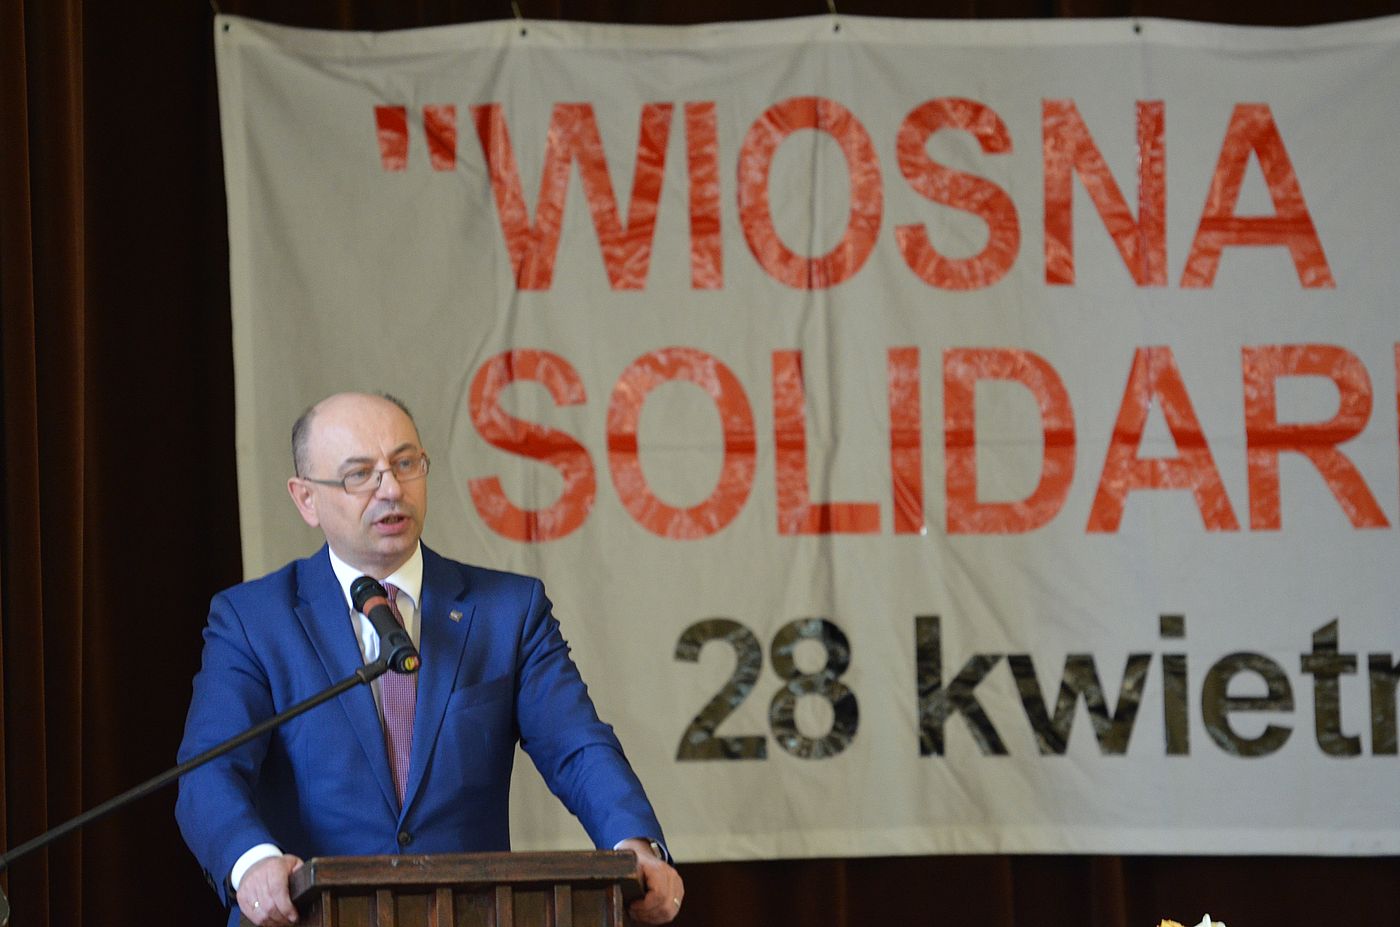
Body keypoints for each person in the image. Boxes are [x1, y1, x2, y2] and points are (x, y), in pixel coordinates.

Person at [176, 391, 684, 927]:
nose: (391, 490)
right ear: (306, 499)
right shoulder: (253, 620)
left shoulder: (508, 611)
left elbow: (576, 747)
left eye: (405, 464)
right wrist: (252, 862)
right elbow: (209, 771)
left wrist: (635, 846)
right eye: (360, 475)